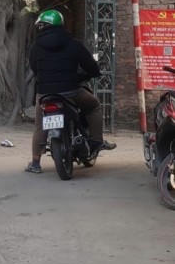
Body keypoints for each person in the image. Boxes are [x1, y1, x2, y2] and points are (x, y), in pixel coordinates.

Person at [26, 9, 116, 174]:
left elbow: (34, 68)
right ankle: (97, 141)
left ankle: (35, 163)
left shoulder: (36, 47)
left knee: (40, 125)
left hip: (45, 94)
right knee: (94, 106)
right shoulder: (73, 44)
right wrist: (87, 75)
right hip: (71, 91)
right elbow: (91, 66)